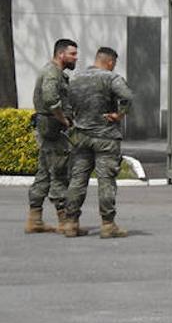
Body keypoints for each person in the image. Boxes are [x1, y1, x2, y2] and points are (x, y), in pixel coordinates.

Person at [62, 47, 134, 239]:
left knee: (77, 180)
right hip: (106, 138)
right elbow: (127, 96)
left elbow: (66, 107)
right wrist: (118, 115)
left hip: (80, 138)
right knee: (106, 181)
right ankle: (108, 225)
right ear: (110, 62)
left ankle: (70, 223)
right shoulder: (111, 78)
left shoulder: (75, 79)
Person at [26, 39, 78, 234]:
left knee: (44, 173)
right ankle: (64, 221)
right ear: (61, 54)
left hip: (48, 127)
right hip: (53, 128)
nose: (76, 57)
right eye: (72, 54)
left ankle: (35, 219)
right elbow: (50, 98)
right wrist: (63, 119)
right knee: (59, 172)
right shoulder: (52, 73)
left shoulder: (57, 73)